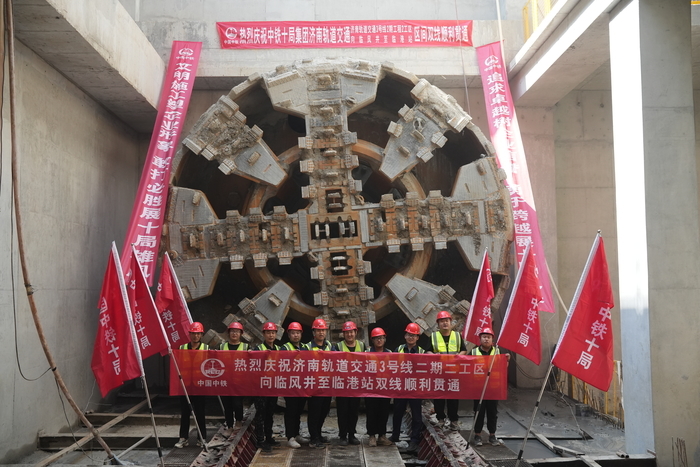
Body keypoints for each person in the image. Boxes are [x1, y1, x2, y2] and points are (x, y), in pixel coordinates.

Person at [426, 311, 467, 431]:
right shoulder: (433, 336)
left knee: (453, 397)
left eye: (446, 321)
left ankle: (453, 421)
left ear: (450, 322)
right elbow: (427, 350)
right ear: (438, 324)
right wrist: (434, 355)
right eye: (442, 321)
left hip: (453, 372)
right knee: (439, 396)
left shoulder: (457, 336)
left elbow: (463, 350)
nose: (444, 323)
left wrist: (458, 356)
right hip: (439, 371)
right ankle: (441, 419)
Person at [470, 328, 509, 446]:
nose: (486, 339)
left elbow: (503, 368)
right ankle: (477, 435)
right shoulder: (473, 352)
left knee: (492, 412)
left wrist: (507, 360)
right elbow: (466, 366)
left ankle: (492, 435)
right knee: (479, 412)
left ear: (492, 339)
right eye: (484, 337)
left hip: (493, 388)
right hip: (478, 387)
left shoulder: (498, 352)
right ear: (480, 338)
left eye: (488, 337)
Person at [391, 323, 425, 452]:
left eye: (413, 335)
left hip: (415, 388)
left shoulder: (422, 352)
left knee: (416, 415)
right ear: (405, 336)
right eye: (409, 335)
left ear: (417, 338)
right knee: (397, 412)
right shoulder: (398, 349)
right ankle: (395, 436)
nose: (411, 337)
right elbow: (392, 365)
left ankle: (414, 440)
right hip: (401, 386)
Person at [175, 322, 210, 448]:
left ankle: (202, 439)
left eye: (198, 334)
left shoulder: (206, 348)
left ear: (201, 335)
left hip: (200, 385)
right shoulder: (182, 348)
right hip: (185, 386)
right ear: (189, 334)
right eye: (193, 334)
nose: (196, 336)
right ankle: (183, 438)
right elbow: (176, 363)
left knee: (200, 413)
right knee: (185, 413)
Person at [332, 321, 365, 446]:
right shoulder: (338, 346)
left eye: (351, 332)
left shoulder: (362, 346)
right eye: (347, 332)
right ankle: (342, 435)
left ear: (356, 332)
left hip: (355, 384)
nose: (349, 335)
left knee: (353, 411)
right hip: (342, 385)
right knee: (342, 411)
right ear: (343, 334)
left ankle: (352, 434)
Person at [253, 322, 281, 452]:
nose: (271, 335)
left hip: (273, 386)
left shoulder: (279, 349)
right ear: (263, 334)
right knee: (261, 413)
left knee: (270, 413)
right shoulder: (257, 349)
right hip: (260, 387)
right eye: (268, 333)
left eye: (273, 333)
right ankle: (260, 440)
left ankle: (269, 437)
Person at [281, 322, 310, 449]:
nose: (296, 335)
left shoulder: (305, 348)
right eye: (293, 333)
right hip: (290, 386)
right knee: (291, 411)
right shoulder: (284, 348)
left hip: (302, 386)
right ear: (289, 335)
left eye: (298, 333)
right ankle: (290, 437)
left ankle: (297, 434)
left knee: (298, 411)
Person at [218, 321, 249, 435]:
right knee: (227, 405)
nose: (234, 333)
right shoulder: (222, 347)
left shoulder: (246, 347)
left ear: (241, 334)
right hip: (225, 380)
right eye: (232, 331)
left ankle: (239, 421)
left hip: (239, 381)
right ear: (229, 333)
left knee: (237, 403)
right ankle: (230, 426)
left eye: (237, 331)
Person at [365, 327, 393, 447]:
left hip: (384, 387)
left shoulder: (389, 353)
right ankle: (372, 435)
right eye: (376, 338)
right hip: (371, 387)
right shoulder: (367, 353)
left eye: (381, 338)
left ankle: (382, 435)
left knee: (383, 412)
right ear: (372, 340)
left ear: (385, 339)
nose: (379, 340)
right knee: (371, 411)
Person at [306, 318, 332, 448]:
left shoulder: (329, 346)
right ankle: (313, 438)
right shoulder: (307, 347)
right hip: (314, 386)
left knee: (323, 411)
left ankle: (318, 434)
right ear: (313, 332)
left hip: (326, 385)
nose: (321, 333)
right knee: (314, 413)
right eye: (318, 330)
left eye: (323, 330)